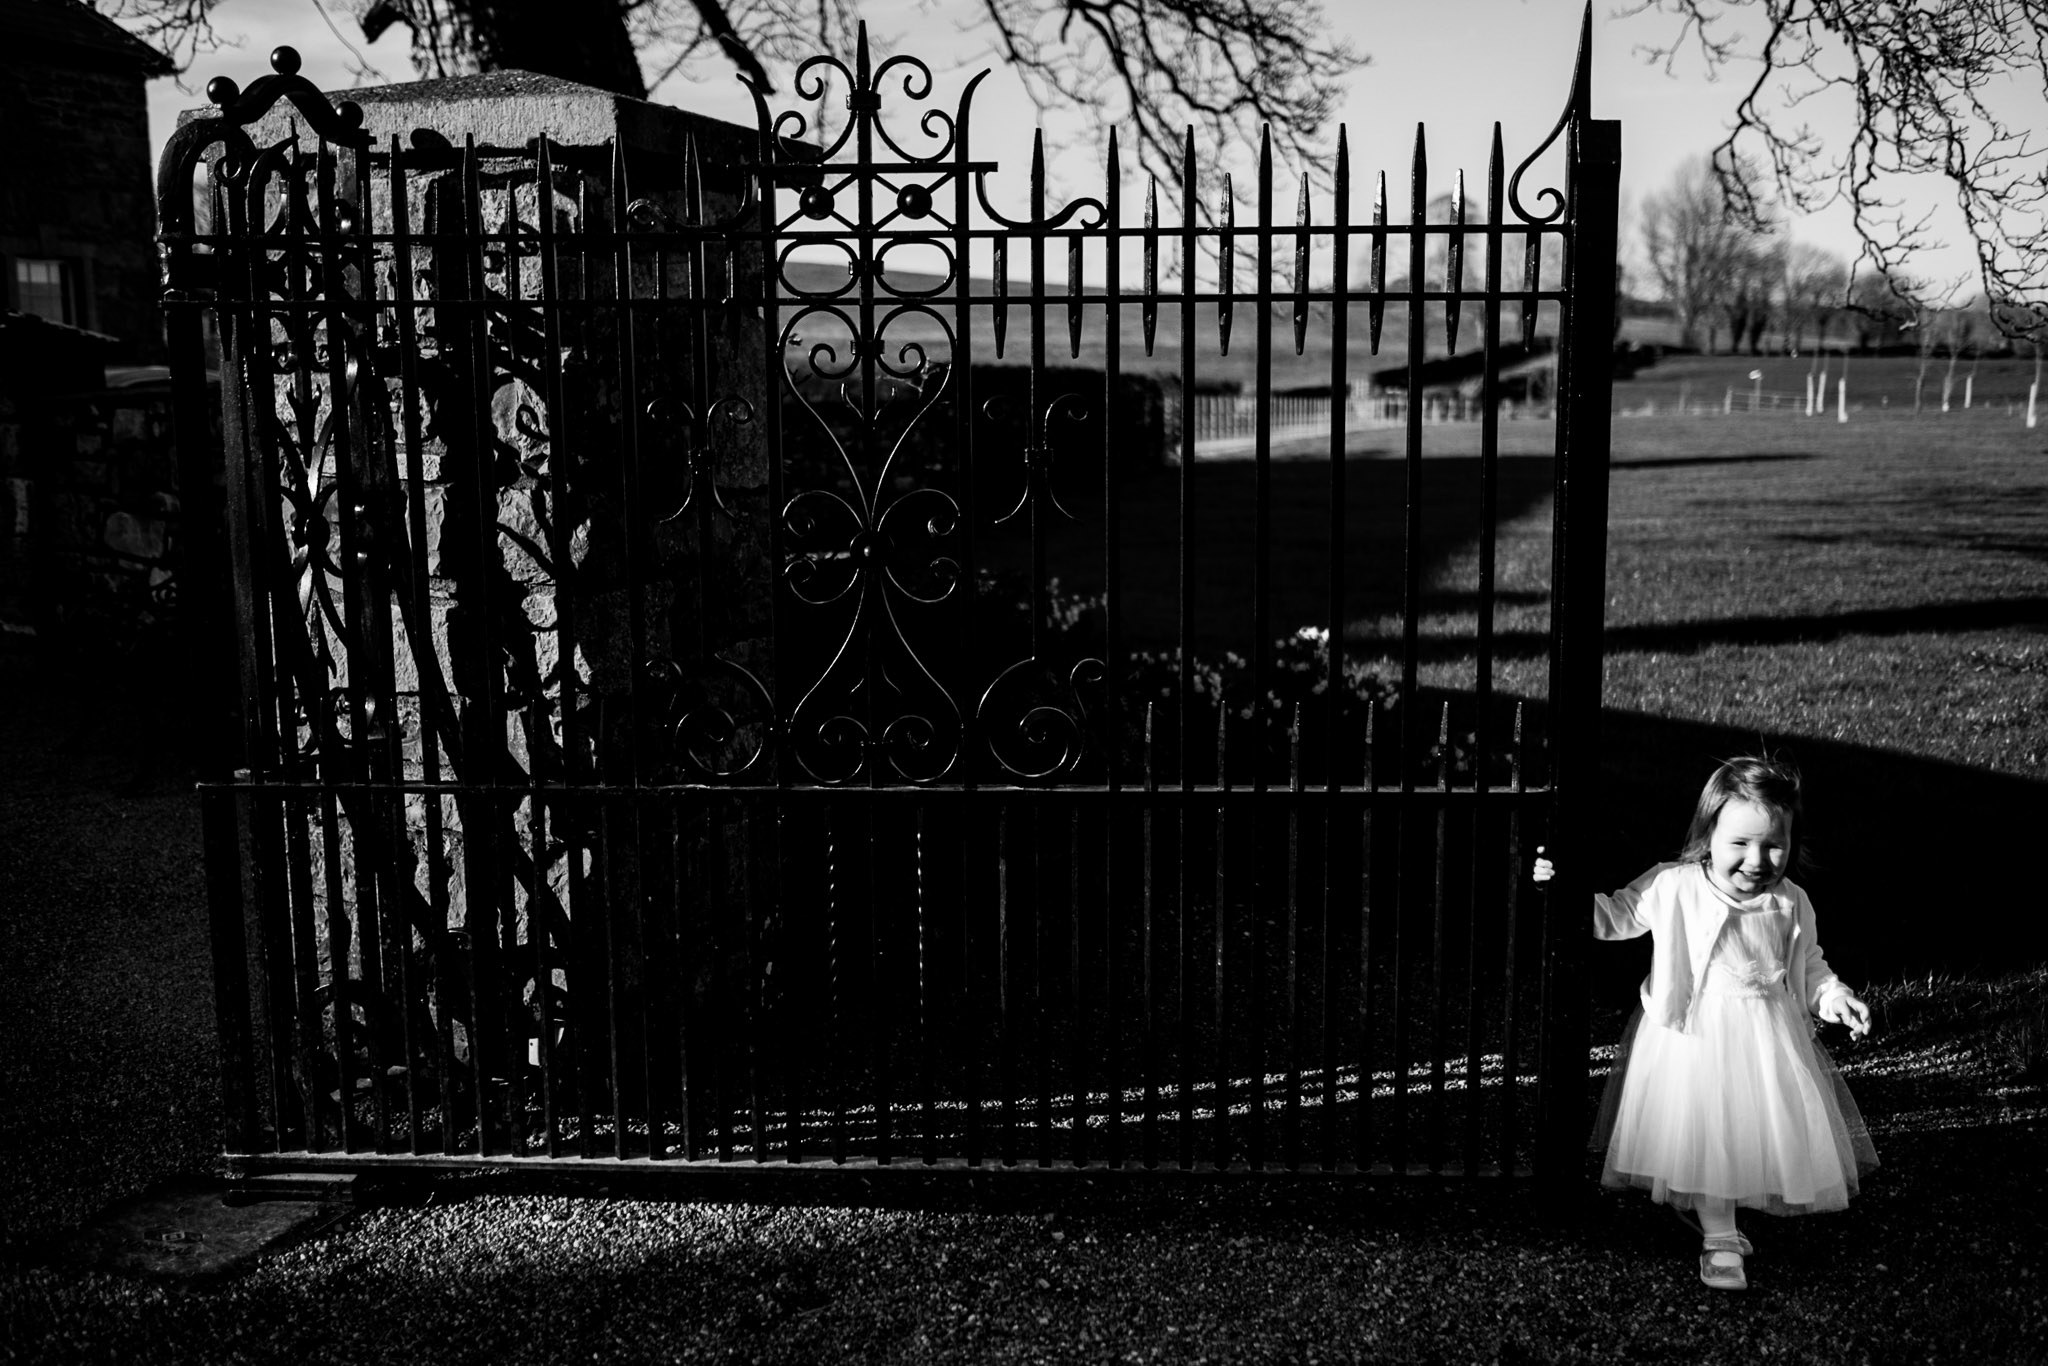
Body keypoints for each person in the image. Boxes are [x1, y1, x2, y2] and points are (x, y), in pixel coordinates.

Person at [1533, 755, 1877, 1292]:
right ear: (1709, 835)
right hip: (1692, 1041)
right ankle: (1719, 1236)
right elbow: (1612, 917)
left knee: (1749, 1129)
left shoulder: (1791, 902)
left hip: (1766, 1041)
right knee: (1708, 1128)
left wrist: (1833, 996)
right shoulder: (1674, 886)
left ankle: (1723, 1217)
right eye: (1740, 843)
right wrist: (1560, 889)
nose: (1757, 859)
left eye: (1773, 845)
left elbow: (1809, 964)